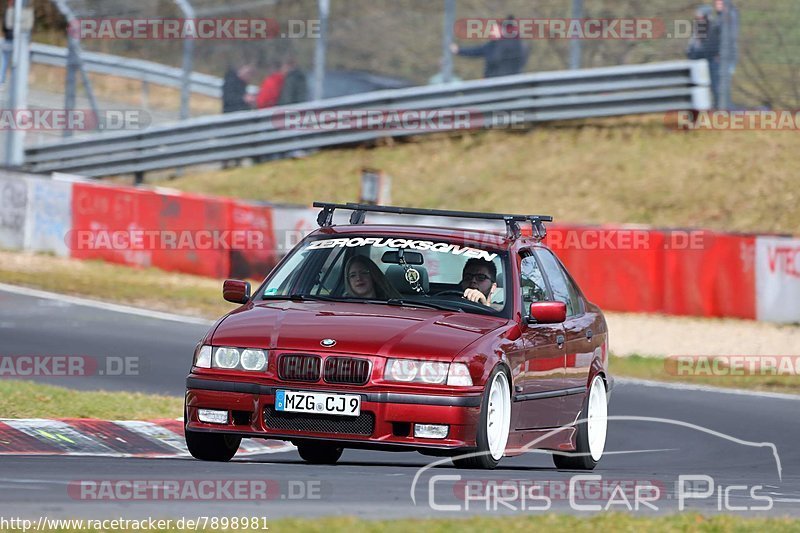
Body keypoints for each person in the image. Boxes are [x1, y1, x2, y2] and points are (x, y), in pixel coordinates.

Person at [449, 16, 528, 78]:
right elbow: (476, 51)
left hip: (507, 82)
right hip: (492, 82)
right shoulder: (491, 45)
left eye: (494, 30)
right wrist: (459, 50)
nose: (491, 32)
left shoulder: (512, 45)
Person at [686, 5, 721, 107]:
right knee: (698, 86)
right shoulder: (698, 27)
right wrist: (690, 54)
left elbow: (714, 44)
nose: (698, 17)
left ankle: (717, 107)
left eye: (700, 15)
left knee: (714, 85)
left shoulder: (714, 26)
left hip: (711, 60)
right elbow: (694, 44)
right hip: (698, 60)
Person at [1, 0, 14, 85]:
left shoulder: (16, 12)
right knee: (4, 61)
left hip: (16, 40)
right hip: (7, 39)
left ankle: (13, 82)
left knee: (14, 62)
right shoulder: (7, 11)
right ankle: (1, 81)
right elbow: (4, 26)